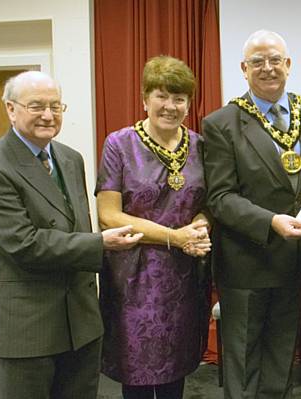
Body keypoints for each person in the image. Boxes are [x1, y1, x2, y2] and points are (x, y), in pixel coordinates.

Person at [0, 71, 142, 399]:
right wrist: (101, 243)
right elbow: (23, 244)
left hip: (80, 323)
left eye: (56, 106)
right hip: (29, 327)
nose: (48, 115)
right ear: (10, 109)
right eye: (37, 106)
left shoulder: (70, 158)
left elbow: (75, 227)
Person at [202, 30, 301, 398]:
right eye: (257, 61)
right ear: (244, 68)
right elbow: (221, 197)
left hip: (293, 259)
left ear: (288, 64)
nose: (267, 68)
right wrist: (269, 221)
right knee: (242, 360)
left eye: (275, 60)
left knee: (282, 357)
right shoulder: (221, 122)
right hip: (246, 261)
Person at [95, 55, 212, 399]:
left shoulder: (200, 145)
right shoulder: (119, 144)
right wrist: (174, 237)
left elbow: (210, 203)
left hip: (186, 275)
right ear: (144, 98)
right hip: (135, 278)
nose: (170, 106)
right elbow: (109, 215)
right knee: (139, 372)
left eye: (179, 98)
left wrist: (200, 225)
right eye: (161, 96)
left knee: (178, 367)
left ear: (189, 104)